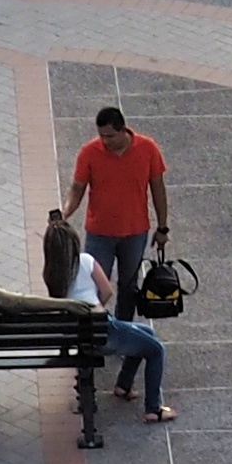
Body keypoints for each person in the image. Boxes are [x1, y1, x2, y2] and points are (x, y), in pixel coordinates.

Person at [69, 105, 168, 393]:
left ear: (123, 129)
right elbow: (77, 189)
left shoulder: (147, 149)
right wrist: (65, 212)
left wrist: (162, 228)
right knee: (93, 288)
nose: (105, 142)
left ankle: (122, 332)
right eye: (101, 136)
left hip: (135, 232)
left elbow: (158, 188)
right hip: (99, 232)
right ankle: (98, 335)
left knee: (128, 287)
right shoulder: (90, 152)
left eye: (110, 136)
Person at [79, 230, 174, 423]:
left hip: (78, 337)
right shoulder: (85, 261)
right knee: (156, 349)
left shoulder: (52, 271)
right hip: (102, 332)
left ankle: (124, 385)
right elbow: (107, 292)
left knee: (146, 332)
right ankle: (153, 409)